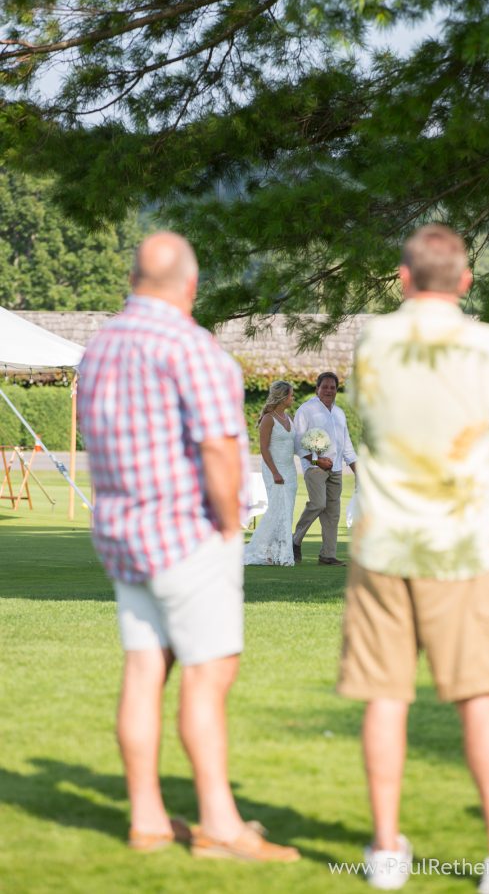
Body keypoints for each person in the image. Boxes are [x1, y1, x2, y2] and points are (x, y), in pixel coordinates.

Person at [338, 224, 489, 892]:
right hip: (460, 548)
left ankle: (385, 853)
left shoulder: (374, 340)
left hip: (382, 544)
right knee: (478, 698)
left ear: (403, 278)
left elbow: (365, 424)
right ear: (464, 281)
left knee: (385, 696)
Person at [78, 231, 298, 863]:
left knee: (145, 670)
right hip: (187, 535)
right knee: (208, 676)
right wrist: (231, 526)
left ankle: (147, 819)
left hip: (123, 534)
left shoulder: (100, 347)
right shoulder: (193, 349)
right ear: (191, 286)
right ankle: (219, 825)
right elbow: (217, 450)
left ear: (134, 279)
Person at [292, 372, 357, 566]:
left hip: (336, 470)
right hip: (315, 468)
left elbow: (346, 445)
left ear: (337, 390)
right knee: (318, 504)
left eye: (333, 387)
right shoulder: (306, 410)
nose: (329, 390)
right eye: (325, 387)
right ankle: (295, 540)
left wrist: (356, 469)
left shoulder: (339, 413)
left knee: (333, 513)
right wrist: (316, 460)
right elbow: (298, 442)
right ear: (317, 389)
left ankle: (327, 555)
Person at [244, 380, 297, 566]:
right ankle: (264, 551)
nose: (293, 398)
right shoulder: (269, 419)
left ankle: (275, 553)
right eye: (291, 395)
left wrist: (317, 460)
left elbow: (296, 448)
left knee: (286, 512)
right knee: (276, 511)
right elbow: (264, 449)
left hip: (290, 473)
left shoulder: (289, 418)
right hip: (275, 471)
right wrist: (275, 472)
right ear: (282, 397)